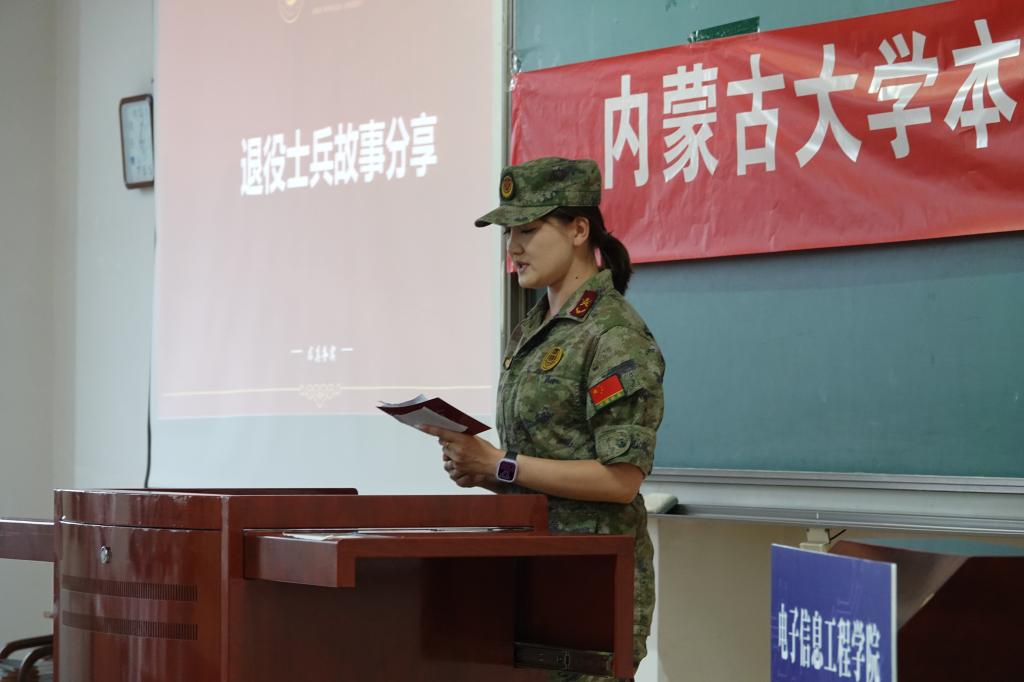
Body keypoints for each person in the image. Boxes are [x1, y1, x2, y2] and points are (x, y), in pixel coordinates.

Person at [419, 157, 665, 682]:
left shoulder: (613, 334)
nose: (514, 248)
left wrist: (500, 465)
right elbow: (539, 463)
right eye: (509, 233)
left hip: (588, 583)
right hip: (529, 568)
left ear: (578, 230)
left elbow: (621, 480)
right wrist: (480, 468)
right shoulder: (534, 328)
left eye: (528, 230)